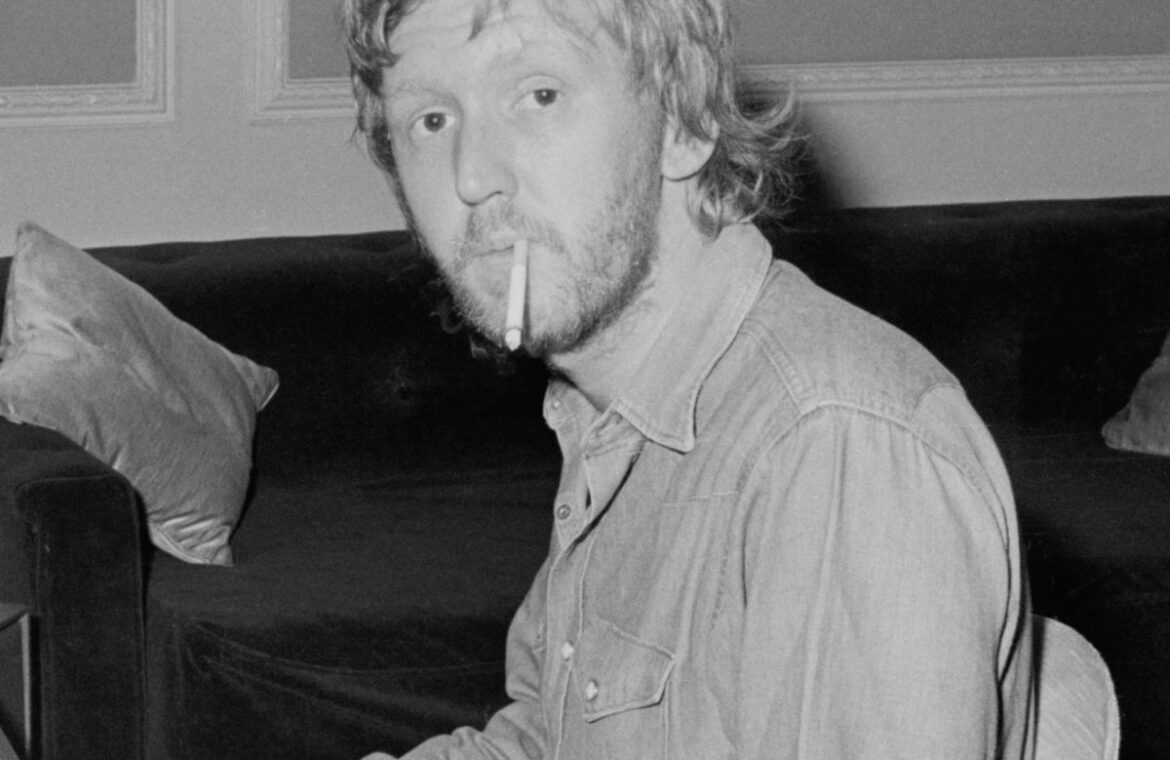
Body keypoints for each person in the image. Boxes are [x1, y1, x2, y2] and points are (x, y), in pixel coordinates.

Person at [344, 0, 1036, 757]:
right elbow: (557, 739)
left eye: (539, 95)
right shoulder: (614, 408)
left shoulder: (830, 447)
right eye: (431, 120)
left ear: (684, 121)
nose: (473, 176)